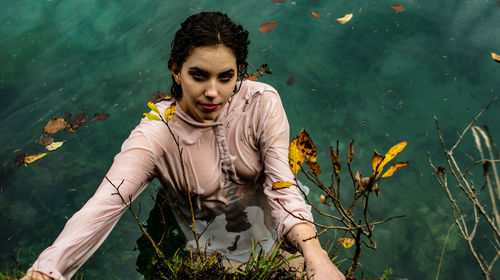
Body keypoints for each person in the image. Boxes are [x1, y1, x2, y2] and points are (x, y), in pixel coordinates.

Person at [23, 12, 345, 280]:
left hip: (282, 224)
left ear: (238, 74)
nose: (212, 92)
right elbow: (104, 206)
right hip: (217, 245)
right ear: (176, 70)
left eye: (225, 77)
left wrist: (315, 253)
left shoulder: (261, 103)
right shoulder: (157, 134)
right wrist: (47, 270)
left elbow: (281, 184)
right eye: (199, 75)